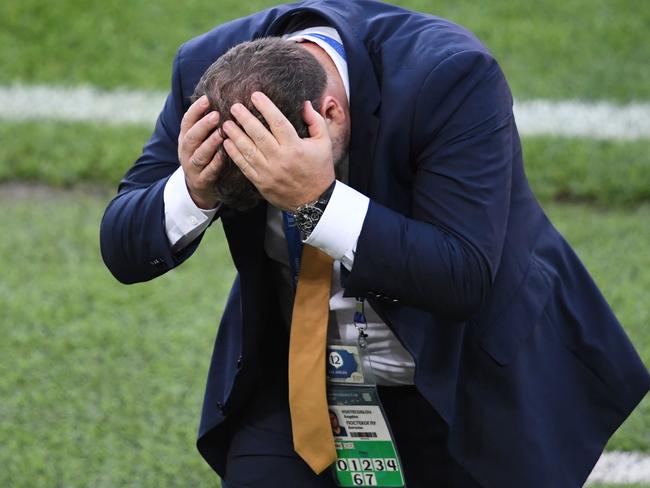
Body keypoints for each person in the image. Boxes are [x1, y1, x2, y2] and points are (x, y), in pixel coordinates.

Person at [100, 1, 650, 486]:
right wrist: (192, 190)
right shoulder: (208, 73)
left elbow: (460, 276)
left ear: (331, 114)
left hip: (459, 377)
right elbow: (122, 246)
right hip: (299, 379)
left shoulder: (452, 75)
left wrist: (316, 201)